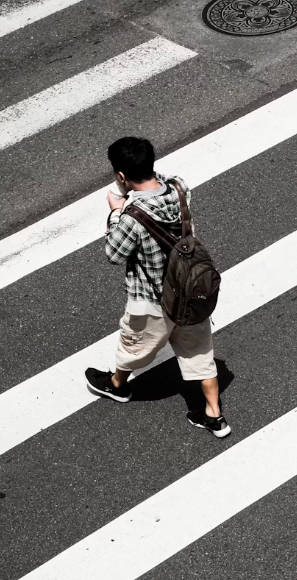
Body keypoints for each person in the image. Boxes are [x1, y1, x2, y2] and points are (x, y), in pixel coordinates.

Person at [85, 137, 230, 438]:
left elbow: (114, 254)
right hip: (190, 292)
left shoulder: (131, 217)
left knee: (134, 345)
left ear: (122, 177)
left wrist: (115, 212)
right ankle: (214, 416)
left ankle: (117, 385)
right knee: (200, 352)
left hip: (153, 300)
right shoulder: (179, 189)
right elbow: (163, 182)